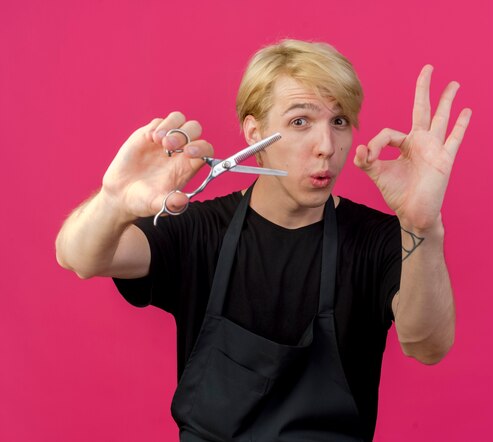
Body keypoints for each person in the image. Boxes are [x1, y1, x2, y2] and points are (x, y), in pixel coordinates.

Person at [56, 39, 471, 441]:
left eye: (339, 121)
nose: (326, 146)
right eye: (300, 121)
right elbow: (79, 257)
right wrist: (114, 199)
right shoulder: (198, 230)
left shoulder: (381, 241)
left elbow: (428, 346)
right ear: (253, 133)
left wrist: (422, 227)